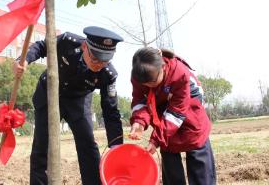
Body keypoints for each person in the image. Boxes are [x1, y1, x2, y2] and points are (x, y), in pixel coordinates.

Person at [13, 26, 124, 185]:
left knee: (88, 145)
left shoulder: (108, 75)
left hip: (78, 102)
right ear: (85, 46)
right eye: (95, 58)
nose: (99, 64)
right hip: (49, 94)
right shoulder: (67, 41)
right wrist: (23, 60)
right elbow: (42, 46)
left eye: (105, 60)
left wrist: (116, 149)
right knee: (41, 146)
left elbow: (111, 112)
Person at [129, 47, 216, 185]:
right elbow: (140, 100)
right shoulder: (140, 75)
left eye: (152, 82)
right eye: (144, 84)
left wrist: (156, 139)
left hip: (189, 107)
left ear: (163, 67)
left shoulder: (179, 73)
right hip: (162, 109)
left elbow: (176, 113)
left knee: (196, 145)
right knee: (169, 152)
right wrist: (139, 121)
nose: (148, 87)